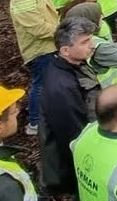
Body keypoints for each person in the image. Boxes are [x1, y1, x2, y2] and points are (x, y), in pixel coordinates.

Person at [40, 17, 100, 196]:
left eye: (90, 39)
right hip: (78, 163)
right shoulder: (62, 87)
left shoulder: (73, 64)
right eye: (85, 42)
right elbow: (74, 135)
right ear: (65, 50)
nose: (92, 45)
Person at [7, 0, 59, 137]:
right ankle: (34, 122)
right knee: (41, 84)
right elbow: (36, 28)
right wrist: (62, 32)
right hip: (40, 49)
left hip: (50, 43)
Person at [66, 3, 117, 88]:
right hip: (111, 88)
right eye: (98, 15)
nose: (102, 16)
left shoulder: (74, 40)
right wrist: (116, 46)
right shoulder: (97, 46)